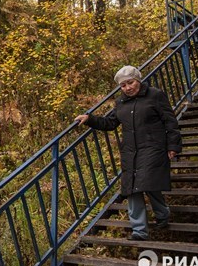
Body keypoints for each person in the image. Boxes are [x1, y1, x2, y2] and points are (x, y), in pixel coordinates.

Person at [75, 65, 182, 241]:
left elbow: (170, 122)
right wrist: (89, 119)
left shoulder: (155, 95)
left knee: (147, 183)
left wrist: (173, 146)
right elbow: (110, 123)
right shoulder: (121, 102)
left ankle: (162, 215)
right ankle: (140, 230)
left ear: (138, 80)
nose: (127, 88)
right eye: (123, 85)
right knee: (134, 188)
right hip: (131, 152)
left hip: (153, 148)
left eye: (130, 83)